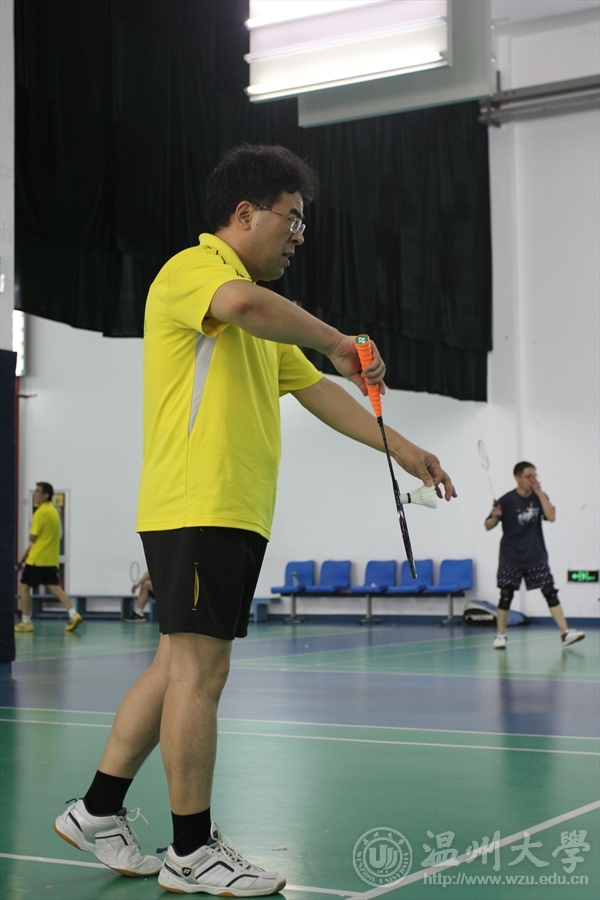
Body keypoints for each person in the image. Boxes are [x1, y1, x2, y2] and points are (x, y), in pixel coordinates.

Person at [54, 144, 457, 895]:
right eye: (292, 219)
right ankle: (191, 850)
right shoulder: (197, 273)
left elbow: (316, 390)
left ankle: (98, 811)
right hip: (198, 503)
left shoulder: (258, 321)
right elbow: (246, 307)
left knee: (176, 667)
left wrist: (404, 448)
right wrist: (337, 339)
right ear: (245, 214)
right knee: (200, 673)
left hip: (227, 508)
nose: (299, 236)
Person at [485, 461, 584, 650]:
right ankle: (501, 636)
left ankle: (565, 633)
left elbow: (551, 517)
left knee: (550, 592)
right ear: (517, 478)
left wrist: (539, 493)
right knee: (506, 596)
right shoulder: (506, 500)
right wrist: (496, 516)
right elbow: (488, 526)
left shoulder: (540, 497)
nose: (533, 480)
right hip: (511, 556)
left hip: (535, 555)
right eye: (528, 476)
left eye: (535, 476)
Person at [15, 482, 83, 634]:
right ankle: (73, 613)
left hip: (37, 559)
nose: (35, 494)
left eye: (38, 492)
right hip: (51, 559)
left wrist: (28, 549)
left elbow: (33, 537)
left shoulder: (40, 513)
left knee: (24, 587)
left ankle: (25, 622)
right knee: (53, 587)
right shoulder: (53, 512)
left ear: (46, 495)